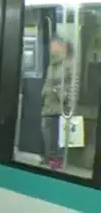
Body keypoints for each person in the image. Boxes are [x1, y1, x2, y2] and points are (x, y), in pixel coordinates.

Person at [41, 36, 73, 169]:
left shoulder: (70, 64)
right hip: (48, 104)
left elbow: (72, 85)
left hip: (60, 105)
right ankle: (49, 156)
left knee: (58, 135)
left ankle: (57, 160)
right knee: (47, 133)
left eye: (53, 45)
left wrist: (66, 99)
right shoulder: (52, 64)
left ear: (61, 46)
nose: (50, 48)